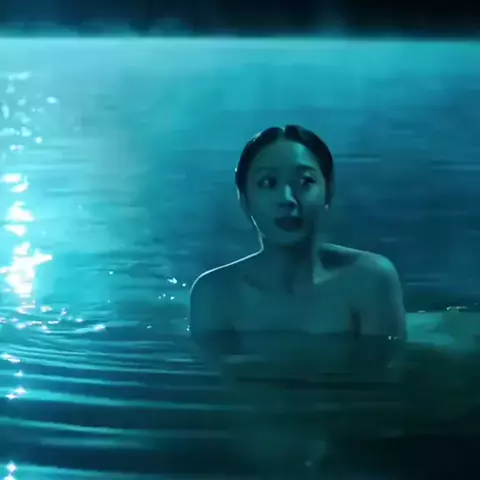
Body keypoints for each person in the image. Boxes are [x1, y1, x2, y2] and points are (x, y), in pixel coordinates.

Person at [189, 125, 407, 477]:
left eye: (305, 182)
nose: (288, 198)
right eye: (268, 183)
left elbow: (381, 393)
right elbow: (219, 397)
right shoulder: (214, 294)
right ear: (244, 200)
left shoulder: (369, 281)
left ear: (328, 191)